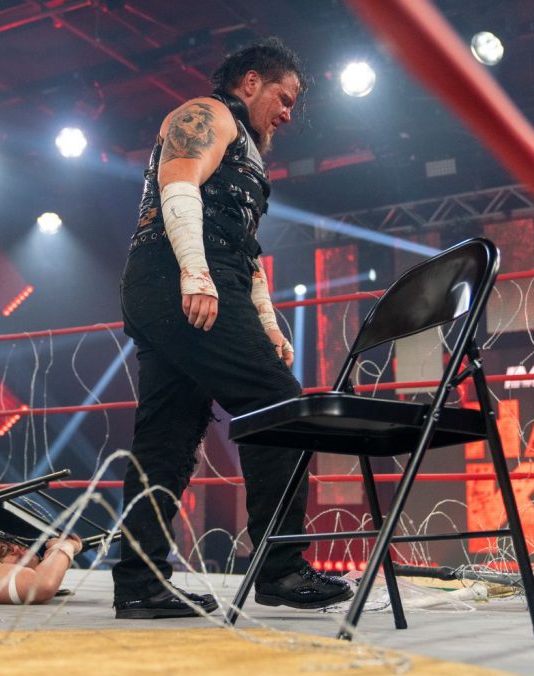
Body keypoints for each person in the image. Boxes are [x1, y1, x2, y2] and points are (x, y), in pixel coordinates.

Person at [113, 37, 353, 619]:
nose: (288, 113)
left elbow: (243, 248)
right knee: (279, 404)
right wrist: (195, 274)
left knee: (168, 435)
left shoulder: (244, 148)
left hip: (181, 279)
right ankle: (279, 567)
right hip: (180, 275)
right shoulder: (208, 114)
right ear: (250, 82)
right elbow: (177, 184)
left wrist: (267, 322)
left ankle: (140, 583)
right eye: (283, 97)